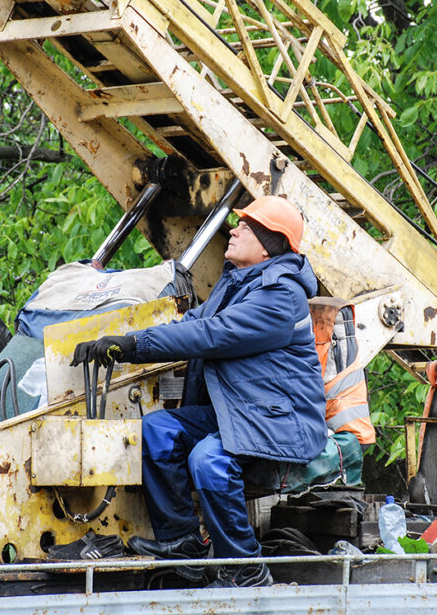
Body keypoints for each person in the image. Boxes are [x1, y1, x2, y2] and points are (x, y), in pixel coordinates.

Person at [72, 196, 327, 587]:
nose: (235, 230)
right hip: (241, 411)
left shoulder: (281, 297)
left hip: (279, 420)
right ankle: (183, 543)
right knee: (158, 431)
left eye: (245, 227)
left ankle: (245, 569)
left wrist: (133, 346)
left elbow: (210, 334)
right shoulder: (237, 283)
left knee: (210, 459)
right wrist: (111, 335)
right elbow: (190, 321)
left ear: (265, 244)